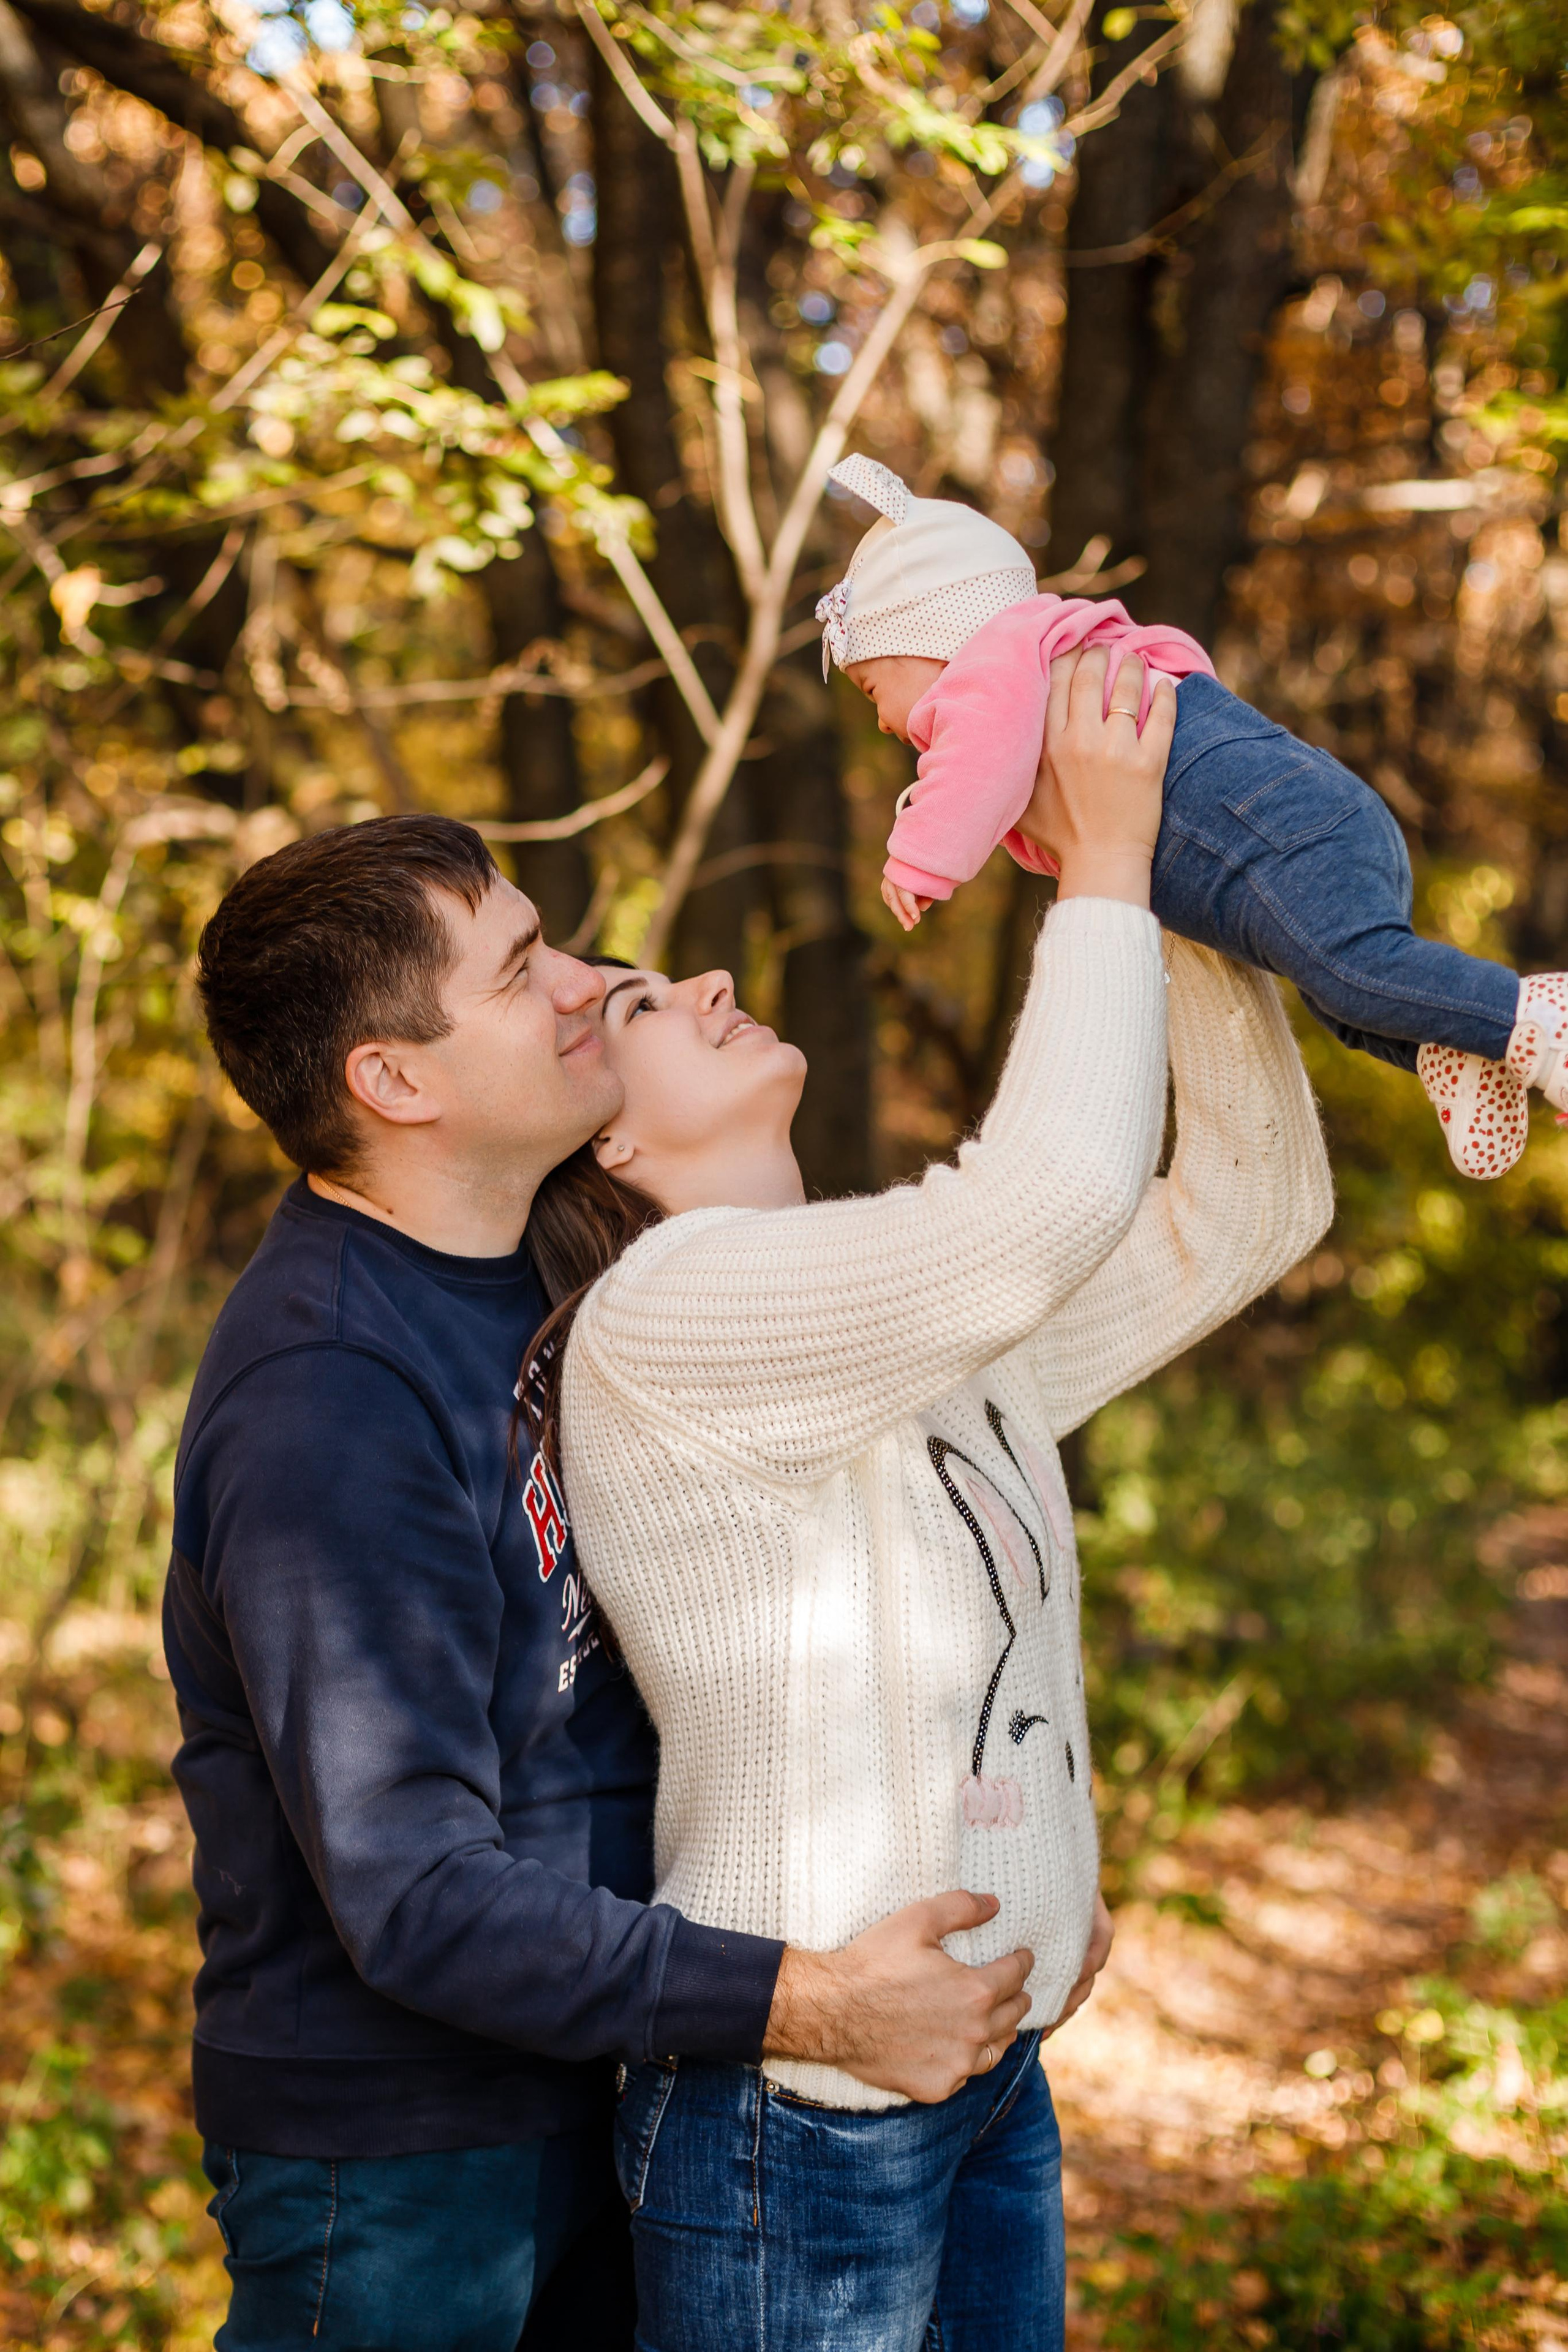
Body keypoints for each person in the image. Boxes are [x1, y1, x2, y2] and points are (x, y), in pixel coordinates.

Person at [170, 815, 1069, 2352]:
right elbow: (417, 1893)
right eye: (524, 970)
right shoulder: (329, 1395)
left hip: (617, 2074)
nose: (589, 984)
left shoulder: (561, 1271)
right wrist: (809, 2001)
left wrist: (1041, 1863)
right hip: (404, 2170)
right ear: (397, 1081)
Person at [538, 647, 1335, 2350]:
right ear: (601, 1145)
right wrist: (1104, 864)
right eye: (636, 1008)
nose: (704, 978)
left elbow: (1257, 1206)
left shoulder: (896, 1324)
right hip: (802, 2111)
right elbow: (1044, 1200)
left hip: (984, 2074)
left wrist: (1182, 891)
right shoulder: (666, 1320)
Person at [817, 451, 1568, 1183]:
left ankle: (1534, 1019)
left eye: (872, 688)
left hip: (1274, 830)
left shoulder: (997, 663)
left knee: (1349, 972)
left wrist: (917, 856)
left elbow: (977, 764)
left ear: (928, 635)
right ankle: (1463, 1048)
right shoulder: (1044, 667)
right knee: (1338, 993)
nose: (882, 721)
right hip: (1287, 827)